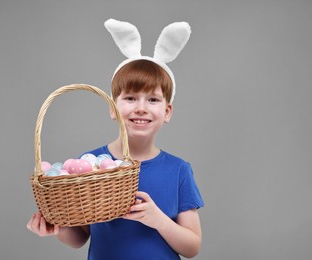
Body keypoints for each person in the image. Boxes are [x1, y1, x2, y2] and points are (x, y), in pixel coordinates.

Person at [27, 18, 204, 259]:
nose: (141, 108)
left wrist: (158, 220)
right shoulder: (92, 166)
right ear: (112, 108)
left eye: (152, 100)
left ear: (167, 112)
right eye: (130, 98)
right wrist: (58, 227)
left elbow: (192, 247)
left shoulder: (178, 171)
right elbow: (80, 237)